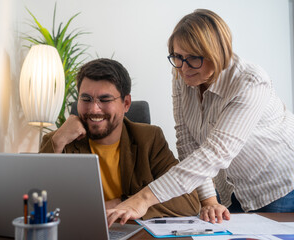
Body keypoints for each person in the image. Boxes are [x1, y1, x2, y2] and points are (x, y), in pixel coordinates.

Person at [106, 9, 294, 227]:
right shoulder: (182, 74)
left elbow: (215, 152)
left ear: (218, 53)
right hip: (231, 188)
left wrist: (142, 199)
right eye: (177, 56)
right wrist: (209, 200)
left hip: (280, 184)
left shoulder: (250, 82)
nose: (184, 68)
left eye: (194, 58)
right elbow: (187, 140)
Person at [39, 58, 201, 219]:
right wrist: (57, 142)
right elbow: (34, 202)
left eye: (105, 99)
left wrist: (125, 204)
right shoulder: (60, 141)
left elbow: (189, 201)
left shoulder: (149, 139)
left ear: (126, 103)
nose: (94, 109)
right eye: (86, 99)